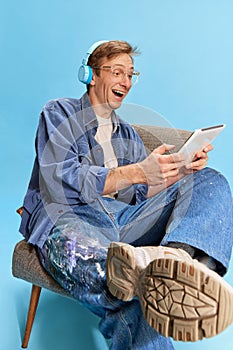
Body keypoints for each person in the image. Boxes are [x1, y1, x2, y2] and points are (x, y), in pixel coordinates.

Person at [19, 40, 233, 350]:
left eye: (131, 74)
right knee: (127, 288)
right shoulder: (59, 112)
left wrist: (183, 173)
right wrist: (137, 171)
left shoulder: (127, 135)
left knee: (210, 180)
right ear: (91, 75)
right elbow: (60, 180)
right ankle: (144, 278)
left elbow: (138, 195)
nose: (126, 82)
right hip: (67, 218)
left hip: (120, 221)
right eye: (118, 72)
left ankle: (174, 262)